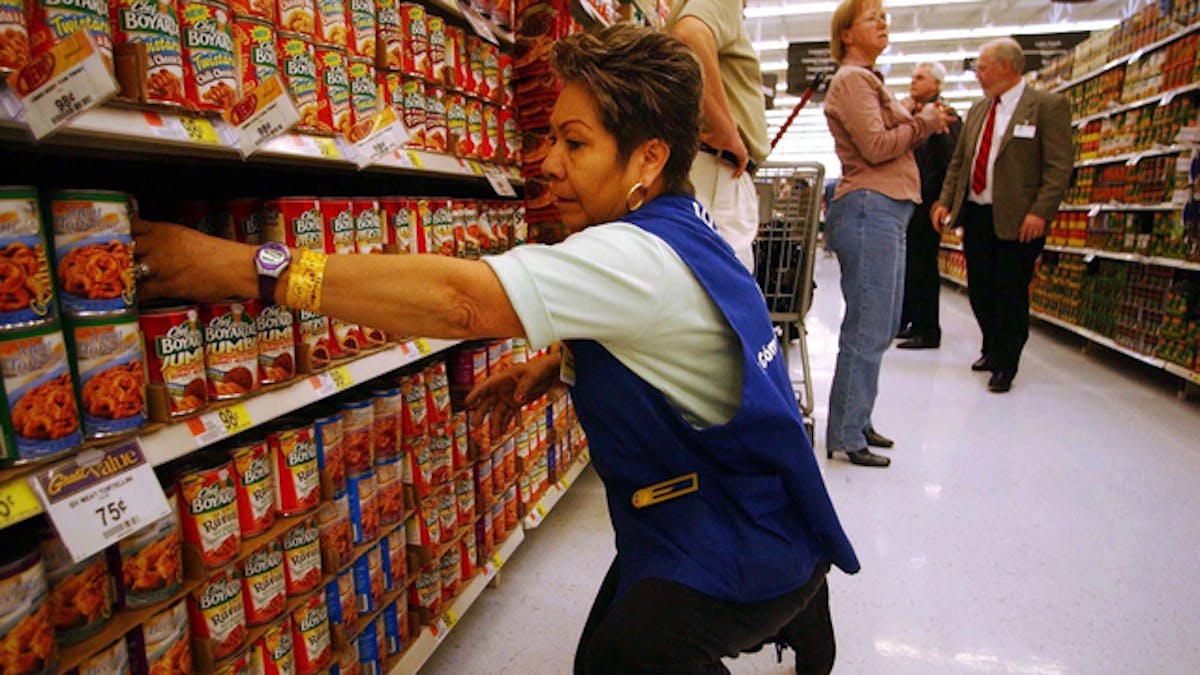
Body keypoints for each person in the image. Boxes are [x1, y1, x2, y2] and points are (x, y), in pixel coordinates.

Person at [133, 24, 858, 675]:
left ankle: (792, 591)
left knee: (626, 660)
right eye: (549, 139)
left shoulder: (628, 255)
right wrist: (555, 365)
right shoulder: (684, 225)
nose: (546, 162)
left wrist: (238, 268)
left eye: (574, 144)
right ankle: (801, 592)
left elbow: (463, 302)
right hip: (748, 489)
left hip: (742, 522)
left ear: (649, 157)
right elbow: (680, 339)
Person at [822, 0, 953, 467]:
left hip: (886, 210)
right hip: (869, 206)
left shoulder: (871, 80)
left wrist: (915, 117)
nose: (884, 24)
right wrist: (925, 124)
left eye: (885, 17)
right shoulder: (854, 79)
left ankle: (857, 419)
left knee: (880, 323)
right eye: (872, 18)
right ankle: (847, 433)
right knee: (869, 324)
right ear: (847, 35)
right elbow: (876, 147)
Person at [931, 38, 1072, 392]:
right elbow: (960, 163)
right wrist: (945, 201)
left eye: (982, 67)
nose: (977, 74)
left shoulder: (1046, 106)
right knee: (980, 287)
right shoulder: (979, 109)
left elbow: (1059, 167)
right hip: (978, 213)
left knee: (1010, 290)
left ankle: (1006, 362)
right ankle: (992, 346)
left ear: (1006, 67)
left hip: (1020, 218)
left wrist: (1041, 211)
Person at [667, 0, 770, 272]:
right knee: (725, 288)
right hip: (719, 167)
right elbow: (690, 35)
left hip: (705, 165)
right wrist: (728, 131)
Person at [896, 62, 961, 349]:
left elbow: (950, 162)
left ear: (936, 84)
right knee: (911, 264)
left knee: (923, 265)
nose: (913, 81)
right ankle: (913, 321)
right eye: (912, 77)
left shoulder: (944, 117)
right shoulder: (917, 115)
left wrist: (942, 202)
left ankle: (928, 330)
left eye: (920, 78)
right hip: (913, 200)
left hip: (929, 203)